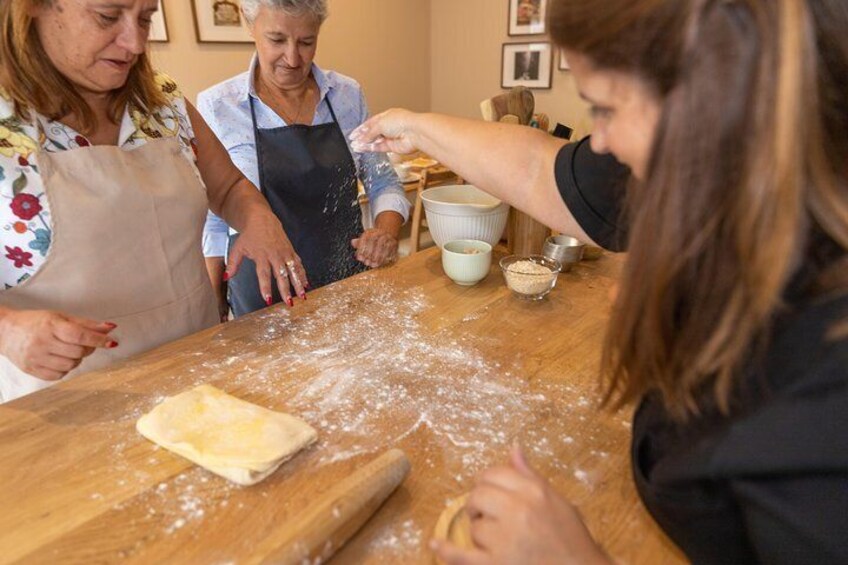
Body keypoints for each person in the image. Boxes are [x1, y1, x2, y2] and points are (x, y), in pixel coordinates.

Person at [350, 0, 848, 562]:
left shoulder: (825, 380)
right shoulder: (723, 171)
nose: (600, 142)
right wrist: (414, 126)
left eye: (604, 109)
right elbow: (547, 171)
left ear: (714, 106)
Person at [0, 0, 306, 402]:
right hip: (67, 399)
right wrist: (9, 330)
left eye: (145, 19)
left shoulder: (162, 101)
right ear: (31, 9)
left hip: (195, 366)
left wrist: (257, 216)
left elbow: (229, 187)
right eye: (107, 16)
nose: (135, 43)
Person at [198, 0, 410, 319]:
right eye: (277, 40)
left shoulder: (347, 95)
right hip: (263, 299)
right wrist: (213, 302)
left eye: (306, 42)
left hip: (345, 286)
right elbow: (214, 219)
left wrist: (386, 232)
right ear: (249, 24)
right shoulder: (219, 106)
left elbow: (382, 180)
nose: (293, 58)